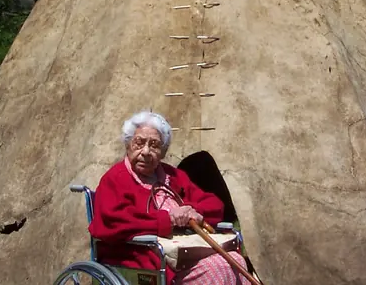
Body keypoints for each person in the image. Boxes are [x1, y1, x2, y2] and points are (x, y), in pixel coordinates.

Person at [89, 110, 252, 285]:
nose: (146, 151)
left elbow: (214, 204)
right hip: (144, 257)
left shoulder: (174, 176)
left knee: (236, 261)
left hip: (185, 252)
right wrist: (168, 220)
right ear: (128, 144)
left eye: (154, 145)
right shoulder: (115, 179)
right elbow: (115, 221)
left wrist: (193, 211)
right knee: (219, 268)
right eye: (139, 142)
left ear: (163, 152)